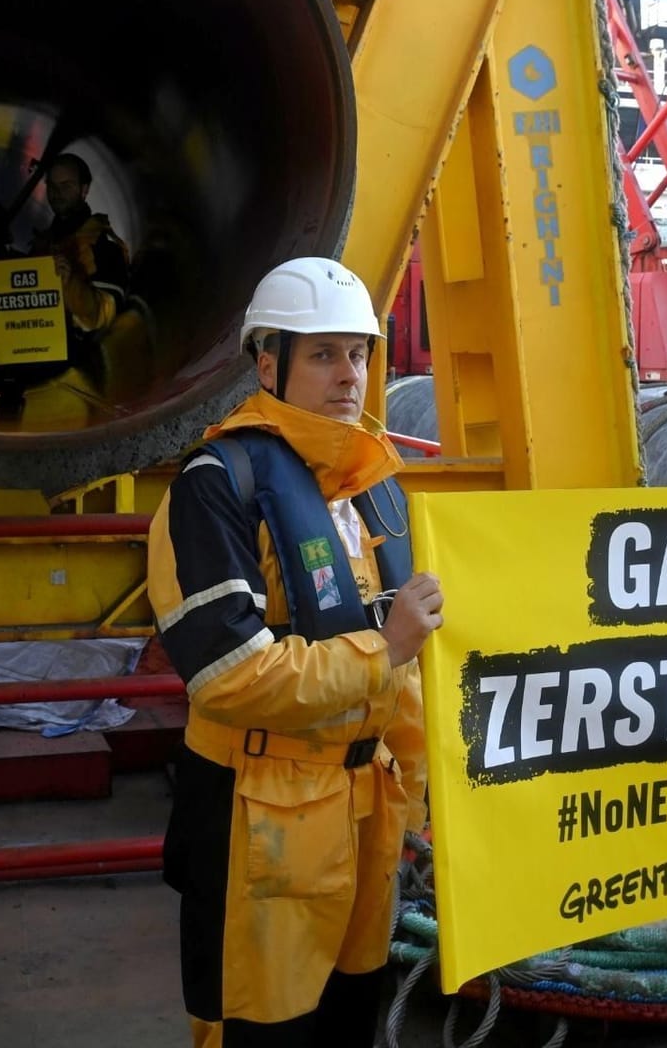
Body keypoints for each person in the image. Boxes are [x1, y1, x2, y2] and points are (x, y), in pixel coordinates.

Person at [151, 256, 441, 1047]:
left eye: (358, 353)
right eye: (322, 354)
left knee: (351, 1026)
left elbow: (407, 678)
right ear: (267, 363)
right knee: (257, 1034)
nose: (348, 375)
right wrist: (381, 651)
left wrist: (414, 804)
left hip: (365, 824)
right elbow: (230, 675)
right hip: (256, 830)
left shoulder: (374, 485)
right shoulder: (215, 484)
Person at [29, 153, 132, 334]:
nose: (56, 193)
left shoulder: (104, 244)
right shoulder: (42, 243)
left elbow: (104, 316)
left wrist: (71, 285)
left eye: (66, 186)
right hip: (35, 347)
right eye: (51, 186)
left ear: (84, 190)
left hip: (79, 356)